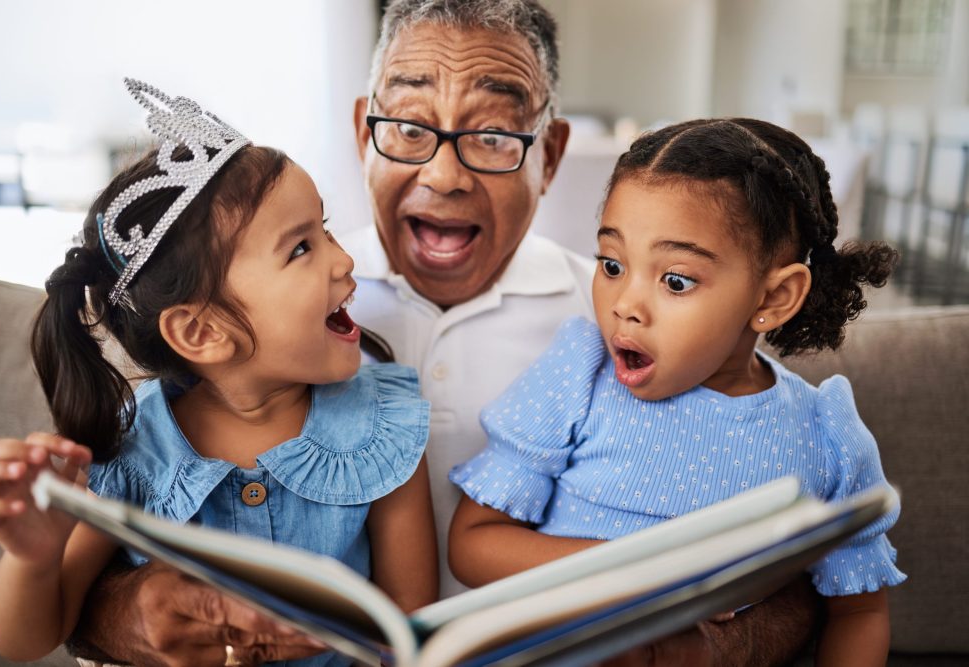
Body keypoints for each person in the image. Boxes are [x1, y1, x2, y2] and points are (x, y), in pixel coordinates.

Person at [68, 2, 824, 665]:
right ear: (363, 131)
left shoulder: (629, 322)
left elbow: (800, 544)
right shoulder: (250, 303)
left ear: (550, 155)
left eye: (494, 136)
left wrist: (720, 642)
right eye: (406, 127)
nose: (445, 174)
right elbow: (99, 521)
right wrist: (123, 612)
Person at [0, 78, 437, 666]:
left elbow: (409, 632)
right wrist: (34, 560)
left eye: (325, 229)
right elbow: (24, 640)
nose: (344, 260)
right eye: (300, 248)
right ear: (202, 332)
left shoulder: (382, 428)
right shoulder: (132, 451)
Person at [448, 117, 906, 665]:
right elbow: (473, 542)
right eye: (612, 265)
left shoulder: (824, 434)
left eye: (676, 281)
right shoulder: (580, 373)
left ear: (775, 297)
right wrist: (633, 575)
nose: (626, 305)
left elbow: (858, 611)